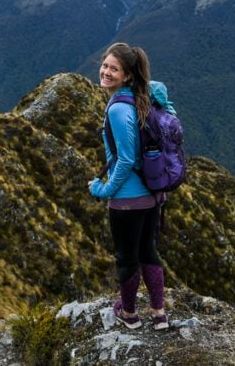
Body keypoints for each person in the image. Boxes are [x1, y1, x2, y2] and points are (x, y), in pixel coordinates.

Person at [88, 42, 168, 331]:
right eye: (106, 65)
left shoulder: (118, 110)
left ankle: (130, 314)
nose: (106, 71)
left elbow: (126, 159)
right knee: (148, 251)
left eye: (114, 69)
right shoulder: (141, 99)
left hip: (127, 200)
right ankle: (159, 314)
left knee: (127, 257)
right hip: (150, 194)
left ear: (127, 76)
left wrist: (105, 190)